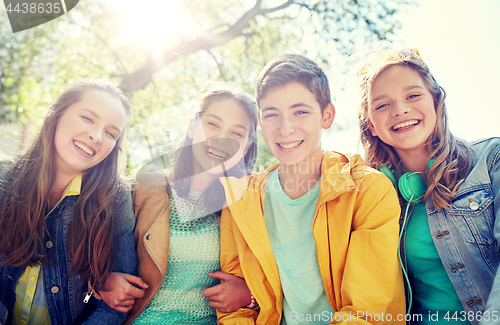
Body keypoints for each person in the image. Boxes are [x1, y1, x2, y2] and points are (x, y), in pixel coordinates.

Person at [217, 54, 406, 325]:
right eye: (272, 115)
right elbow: (234, 309)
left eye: (300, 111)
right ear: (260, 121)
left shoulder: (367, 189)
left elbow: (368, 309)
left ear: (326, 116)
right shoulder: (240, 199)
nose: (286, 128)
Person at [357, 49, 500, 325]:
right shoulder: (373, 198)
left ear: (436, 102)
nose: (400, 109)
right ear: (371, 125)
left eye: (412, 95)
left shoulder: (491, 159)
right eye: (382, 105)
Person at [100, 83, 259, 324]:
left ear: (246, 147)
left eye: (237, 133)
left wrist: (250, 296)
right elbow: (82, 269)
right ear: (193, 126)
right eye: (213, 124)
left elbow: (278, 280)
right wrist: (101, 284)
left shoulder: (249, 207)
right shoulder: (139, 191)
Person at [0, 79, 136, 325]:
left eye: (110, 133)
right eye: (88, 118)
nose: (96, 136)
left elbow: (115, 305)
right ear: (58, 114)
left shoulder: (115, 199)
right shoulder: (4, 178)